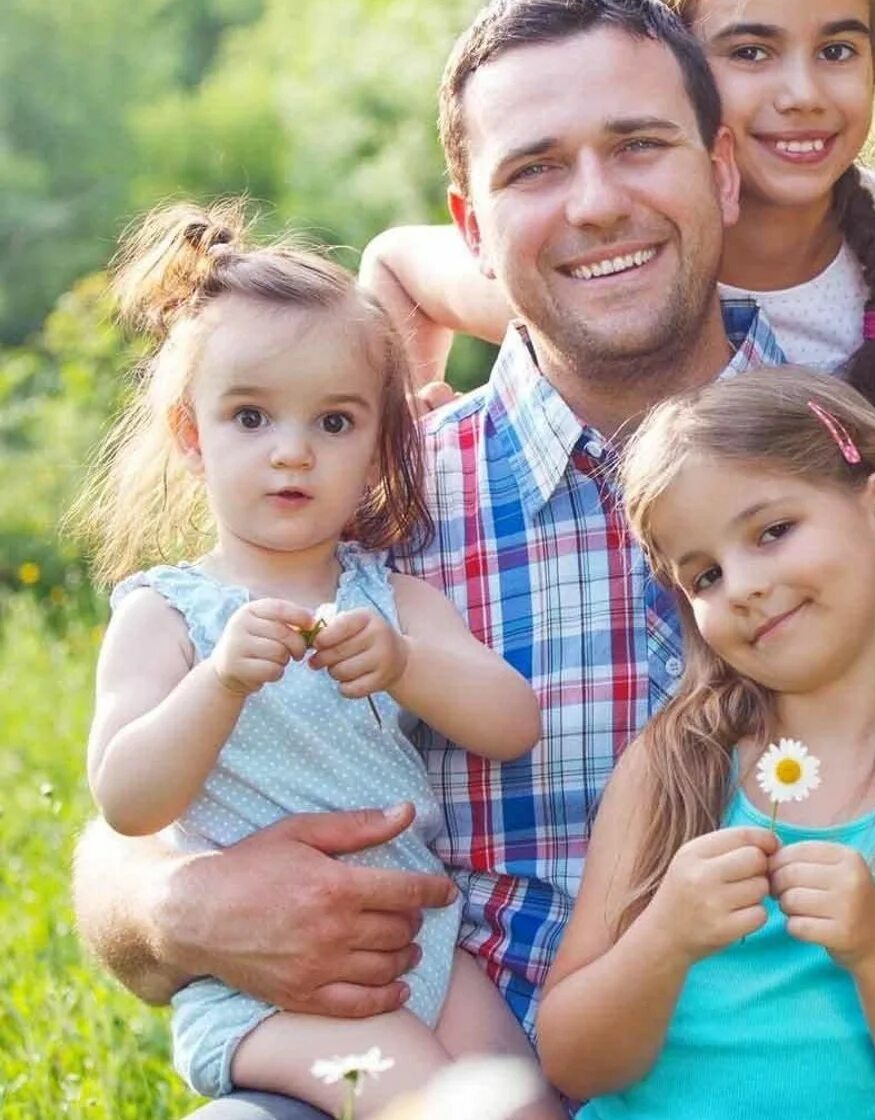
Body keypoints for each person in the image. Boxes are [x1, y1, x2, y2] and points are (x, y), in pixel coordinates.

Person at [71, 0, 796, 1120]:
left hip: (810, 1065)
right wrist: (174, 907)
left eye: (639, 145)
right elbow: (142, 810)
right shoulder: (368, 504)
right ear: (471, 226)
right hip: (444, 1041)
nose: (597, 203)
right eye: (536, 168)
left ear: (719, 172)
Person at [70, 201, 545, 1116]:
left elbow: (511, 722)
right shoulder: (167, 614)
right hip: (270, 988)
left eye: (334, 423)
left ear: (378, 445)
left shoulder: (393, 599)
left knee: (520, 1102)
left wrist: (408, 664)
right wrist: (219, 683)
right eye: (251, 418)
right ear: (190, 434)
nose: (293, 452)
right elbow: (128, 799)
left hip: (424, 944)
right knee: (434, 1102)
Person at [536, 368, 875, 1119]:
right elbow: (574, 1060)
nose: (740, 585)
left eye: (773, 532)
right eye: (705, 575)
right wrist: (665, 938)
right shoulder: (675, 767)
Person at [360, 0, 875, 423]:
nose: (803, 93)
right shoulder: (616, 261)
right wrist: (401, 430)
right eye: (751, 53)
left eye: (838, 50)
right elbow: (394, 267)